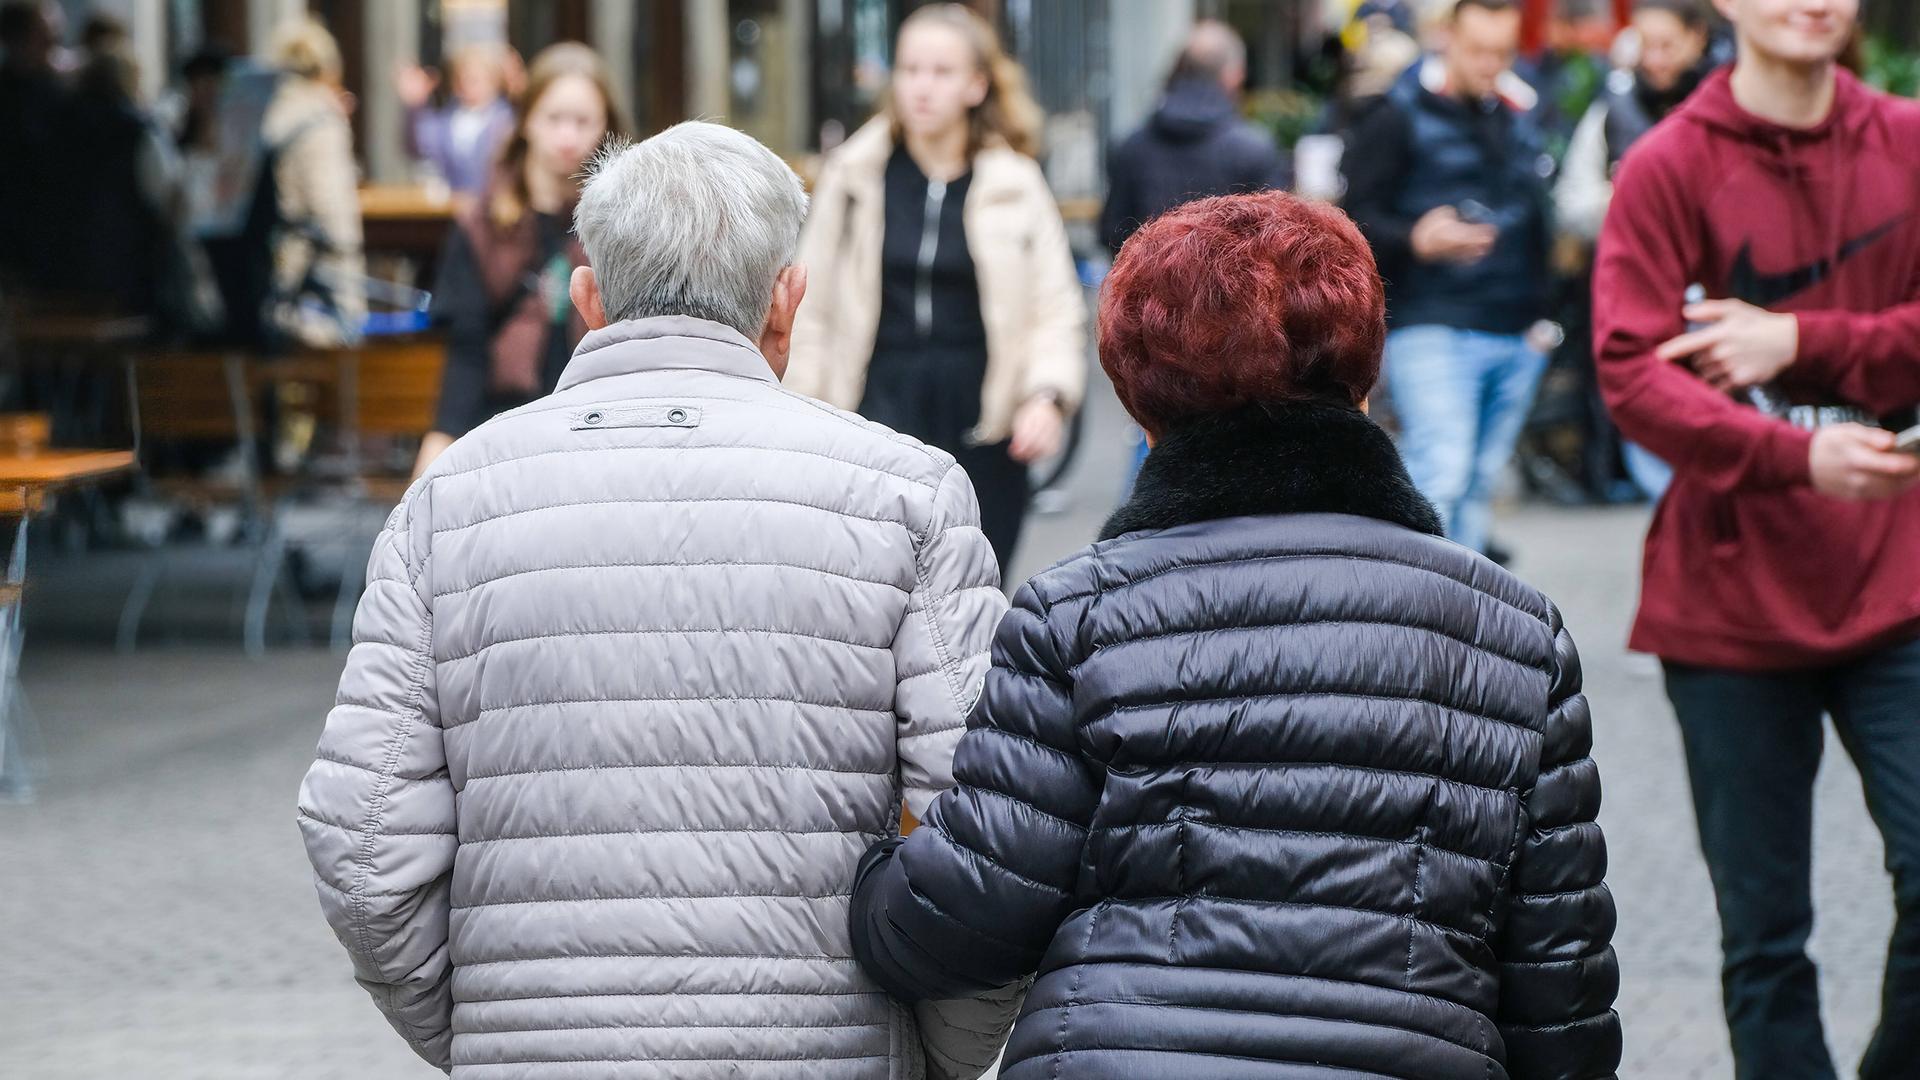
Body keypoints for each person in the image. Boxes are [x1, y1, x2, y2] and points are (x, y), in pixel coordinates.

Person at [298, 121, 1023, 1077]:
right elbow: (985, 833)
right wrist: (938, 1056)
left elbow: (363, 843)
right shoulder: (908, 496)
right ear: (786, 300)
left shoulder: (450, 502)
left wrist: (480, 1028)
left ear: (586, 297)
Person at [847, 191, 1621, 1079]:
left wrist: (871, 878)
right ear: (1363, 381)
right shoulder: (1515, 633)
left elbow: (964, 918)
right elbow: (1562, 1001)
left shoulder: (1079, 615)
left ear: (1141, 407)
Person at [1594, 0, 1920, 1074]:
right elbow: (1630, 369)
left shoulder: (1907, 143)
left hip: (1901, 583)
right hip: (1730, 602)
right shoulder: (1667, 164)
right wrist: (1796, 458)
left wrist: (1799, 338)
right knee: (1765, 940)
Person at [787, 3, 1086, 573]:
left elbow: (1054, 304)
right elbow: (812, 303)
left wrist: (1045, 396)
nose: (922, 86)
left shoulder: (1016, 183)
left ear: (977, 85)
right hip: (872, 412)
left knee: (976, 592)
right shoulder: (854, 175)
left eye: (942, 72)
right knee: (873, 592)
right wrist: (805, 407)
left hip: (983, 420)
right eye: (910, 69)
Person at [1342, 0, 1555, 558]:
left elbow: (1537, 219)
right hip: (1431, 324)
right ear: (1446, 40)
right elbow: (1351, 221)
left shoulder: (1518, 114)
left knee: (1477, 485)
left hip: (1515, 329)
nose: (1491, 64)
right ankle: (1418, 619)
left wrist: (1544, 318)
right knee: (1442, 478)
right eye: (1478, 50)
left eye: (1503, 52)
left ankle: (1464, 626)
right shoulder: (1395, 114)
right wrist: (1416, 238)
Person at [413, 43, 627, 475]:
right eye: (554, 118)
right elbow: (467, 350)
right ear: (526, 119)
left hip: (599, 433)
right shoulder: (483, 225)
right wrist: (438, 447)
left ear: (606, 126)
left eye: (583, 121)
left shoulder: (625, 226)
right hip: (505, 430)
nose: (567, 137)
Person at [1556, 0, 1712, 502]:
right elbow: (1573, 207)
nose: (1657, 58)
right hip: (1637, 298)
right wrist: (1625, 201)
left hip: (1713, 301)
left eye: (1668, 44)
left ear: (1697, 40)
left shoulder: (1726, 104)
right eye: (1647, 45)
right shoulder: (1612, 111)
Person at [1098, 19, 1290, 257]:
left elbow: (1111, 234)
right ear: (1234, 76)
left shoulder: (1130, 147)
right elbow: (1276, 243)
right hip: (1230, 292)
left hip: (1148, 290)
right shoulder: (1255, 149)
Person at [261, 16, 365, 346]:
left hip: (270, 266)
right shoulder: (320, 121)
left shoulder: (266, 111)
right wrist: (349, 282)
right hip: (311, 273)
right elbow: (331, 207)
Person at [397, 44, 515, 197]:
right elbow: (417, 146)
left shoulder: (505, 120)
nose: (466, 85)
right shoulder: (447, 119)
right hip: (453, 206)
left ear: (493, 80)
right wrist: (416, 106)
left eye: (474, 79)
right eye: (461, 79)